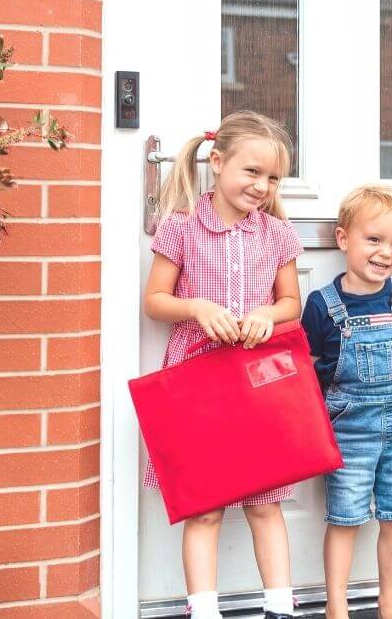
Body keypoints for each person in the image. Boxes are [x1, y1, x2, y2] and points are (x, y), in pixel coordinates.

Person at [143, 111, 304, 619]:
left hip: (258, 381)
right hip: (197, 380)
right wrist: (197, 307)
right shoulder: (182, 227)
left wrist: (265, 315)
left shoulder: (276, 234)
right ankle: (203, 610)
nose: (262, 186)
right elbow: (155, 300)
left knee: (264, 500)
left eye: (273, 177)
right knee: (205, 504)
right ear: (217, 162)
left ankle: (280, 607)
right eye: (251, 172)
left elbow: (290, 303)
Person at [300, 185, 392, 619]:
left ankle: (388, 602)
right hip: (349, 427)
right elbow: (312, 364)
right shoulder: (323, 304)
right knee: (346, 518)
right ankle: (336, 605)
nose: (385, 253)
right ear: (343, 239)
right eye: (373, 239)